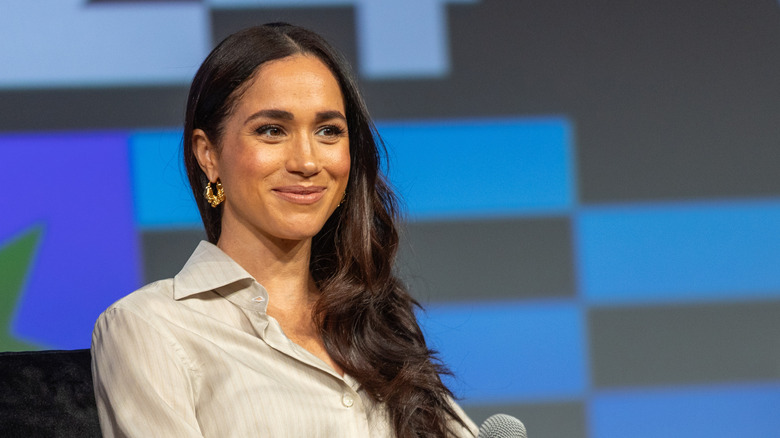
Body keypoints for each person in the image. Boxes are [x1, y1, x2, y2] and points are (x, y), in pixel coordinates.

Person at [91, 23, 478, 438]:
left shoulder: (379, 325)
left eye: (328, 131)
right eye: (272, 130)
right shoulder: (151, 326)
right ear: (209, 155)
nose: (307, 162)